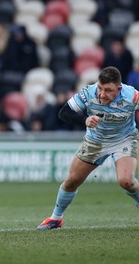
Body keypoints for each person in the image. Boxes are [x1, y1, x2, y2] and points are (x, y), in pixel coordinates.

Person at [37, 66, 139, 230]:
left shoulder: (132, 96)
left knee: (126, 181)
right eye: (100, 88)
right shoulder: (88, 93)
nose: (101, 94)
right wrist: (84, 120)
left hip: (124, 140)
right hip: (95, 141)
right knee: (71, 181)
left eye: (107, 90)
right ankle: (56, 218)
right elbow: (63, 113)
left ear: (119, 89)